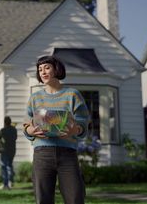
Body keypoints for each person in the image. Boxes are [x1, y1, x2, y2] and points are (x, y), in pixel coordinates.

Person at [23, 55, 90, 204]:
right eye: (40, 69)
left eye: (47, 67)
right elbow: (26, 124)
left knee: (75, 199)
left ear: (57, 69)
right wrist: (30, 131)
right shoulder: (35, 98)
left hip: (67, 154)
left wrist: (76, 130)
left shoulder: (72, 94)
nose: (43, 72)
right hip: (42, 155)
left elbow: (83, 121)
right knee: (43, 200)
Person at [0, 116, 17, 190]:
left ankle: (5, 184)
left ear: (4, 122)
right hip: (12, 151)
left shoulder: (3, 130)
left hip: (4, 150)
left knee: (4, 167)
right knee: (10, 166)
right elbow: (15, 138)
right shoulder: (14, 130)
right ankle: (10, 182)